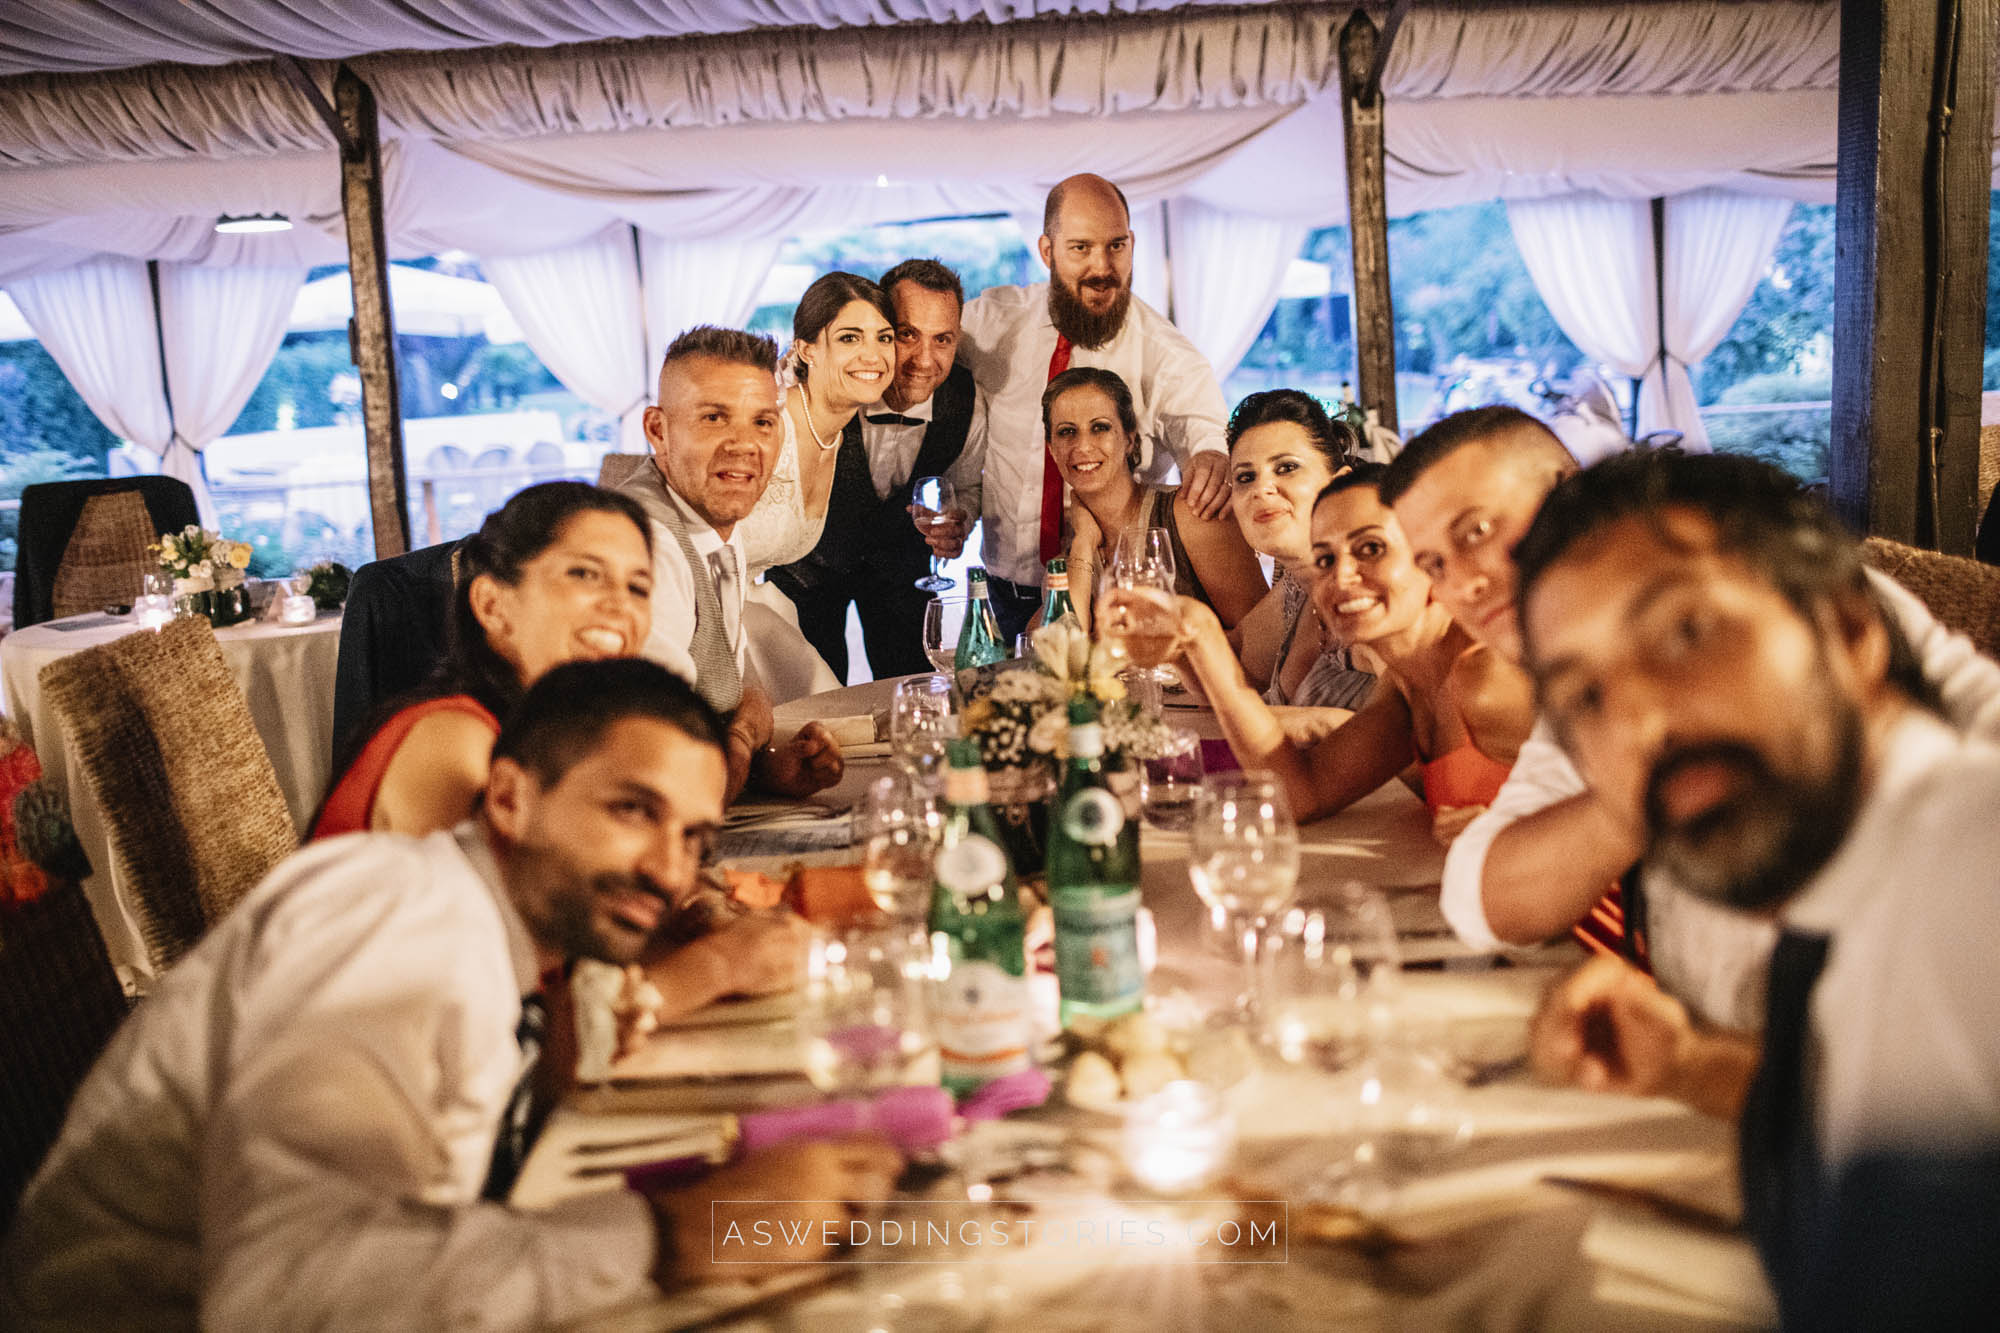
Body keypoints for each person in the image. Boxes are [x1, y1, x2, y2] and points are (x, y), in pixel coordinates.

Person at [0, 659, 904, 1330]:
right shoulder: (401, 918)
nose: (669, 869)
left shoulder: (480, 928)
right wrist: (682, 1230)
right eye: (632, 810)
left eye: (693, 835)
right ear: (508, 797)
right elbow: (284, 1291)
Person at [1514, 451, 2000, 1329]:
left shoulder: (1968, 867)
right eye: (1583, 695)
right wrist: (1692, 1066)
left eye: (1687, 631)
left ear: (1853, 630)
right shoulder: (1845, 905)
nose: (1639, 720)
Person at [1383, 406, 2000, 1023]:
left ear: (1567, 488)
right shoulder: (1591, 685)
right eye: (1434, 563)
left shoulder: (1767, 594)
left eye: (1475, 533)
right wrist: (1655, 780)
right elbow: (1479, 901)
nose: (1461, 584)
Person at [1174, 465, 1534, 841]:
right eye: (1325, 560)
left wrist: (1530, 836)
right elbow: (1304, 795)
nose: (1342, 576)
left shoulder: (1488, 676)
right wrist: (1199, 639)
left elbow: (1601, 803)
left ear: (1431, 557)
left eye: (1371, 549)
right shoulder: (1406, 684)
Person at [959, 173, 1233, 641]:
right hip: (1002, 595)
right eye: (1081, 248)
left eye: (1116, 246)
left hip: (1105, 595)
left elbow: (1203, 431)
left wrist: (1210, 457)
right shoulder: (990, 323)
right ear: (1047, 251)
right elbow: (920, 353)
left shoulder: (1166, 353)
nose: (1102, 267)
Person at [313, 481, 653, 839]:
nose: (620, 605)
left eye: (638, 587)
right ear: (492, 605)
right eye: (584, 574)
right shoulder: (455, 741)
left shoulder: (555, 732)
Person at [614, 324, 844, 802]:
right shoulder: (644, 548)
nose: (744, 444)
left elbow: (734, 682)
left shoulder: (717, 518)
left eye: (762, 422)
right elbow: (660, 778)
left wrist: (765, 770)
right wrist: (742, 746)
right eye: (715, 418)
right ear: (658, 430)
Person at [770, 259, 985, 679]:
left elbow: (965, 486)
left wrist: (960, 522)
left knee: (910, 692)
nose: (924, 359)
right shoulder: (816, 383)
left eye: (942, 339)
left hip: (900, 572)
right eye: (906, 335)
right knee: (812, 703)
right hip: (806, 570)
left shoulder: (967, 400)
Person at [739, 272, 897, 698]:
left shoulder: (837, 436)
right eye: (850, 338)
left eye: (884, 338)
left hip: (759, 616)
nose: (874, 355)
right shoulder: (769, 426)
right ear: (806, 349)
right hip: (710, 625)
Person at [1042, 367, 1264, 633]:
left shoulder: (1191, 513)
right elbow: (1063, 654)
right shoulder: (1069, 554)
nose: (1084, 446)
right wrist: (1083, 542)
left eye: (1100, 427)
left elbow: (1262, 639)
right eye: (1067, 432)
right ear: (1052, 449)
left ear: (1129, 439)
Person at [1222, 389, 1373, 711]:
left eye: (1286, 468)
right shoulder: (1297, 586)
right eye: (1245, 477)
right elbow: (1233, 655)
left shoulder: (1374, 594)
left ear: (1340, 484)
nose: (1261, 489)